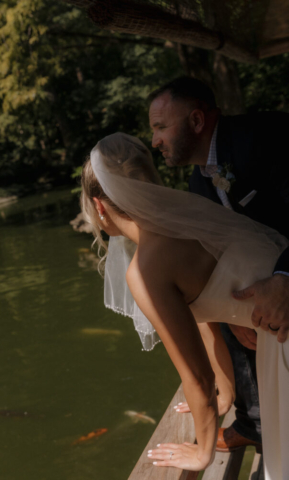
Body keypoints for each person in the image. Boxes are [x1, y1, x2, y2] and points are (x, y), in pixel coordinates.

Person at [81, 132, 289, 479]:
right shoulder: (185, 217)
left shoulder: (146, 269)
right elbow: (208, 326)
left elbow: (195, 376)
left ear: (99, 205)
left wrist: (202, 452)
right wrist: (224, 396)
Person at [148, 77, 289, 454]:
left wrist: (285, 279)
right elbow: (224, 255)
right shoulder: (199, 183)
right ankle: (255, 423)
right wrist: (231, 313)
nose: (154, 141)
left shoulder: (263, 138)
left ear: (196, 121)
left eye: (161, 127)